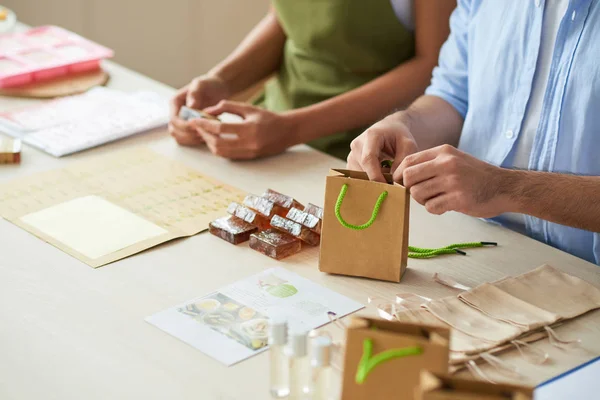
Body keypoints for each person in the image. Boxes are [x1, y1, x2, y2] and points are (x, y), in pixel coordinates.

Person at [347, 0, 600, 264]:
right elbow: (453, 96)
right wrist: (404, 124)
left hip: (586, 274)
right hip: (477, 248)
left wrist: (504, 188)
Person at [169, 1, 456, 160]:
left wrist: (291, 130)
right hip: (268, 128)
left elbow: (431, 64)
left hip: (362, 151)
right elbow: (284, 19)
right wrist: (221, 80)